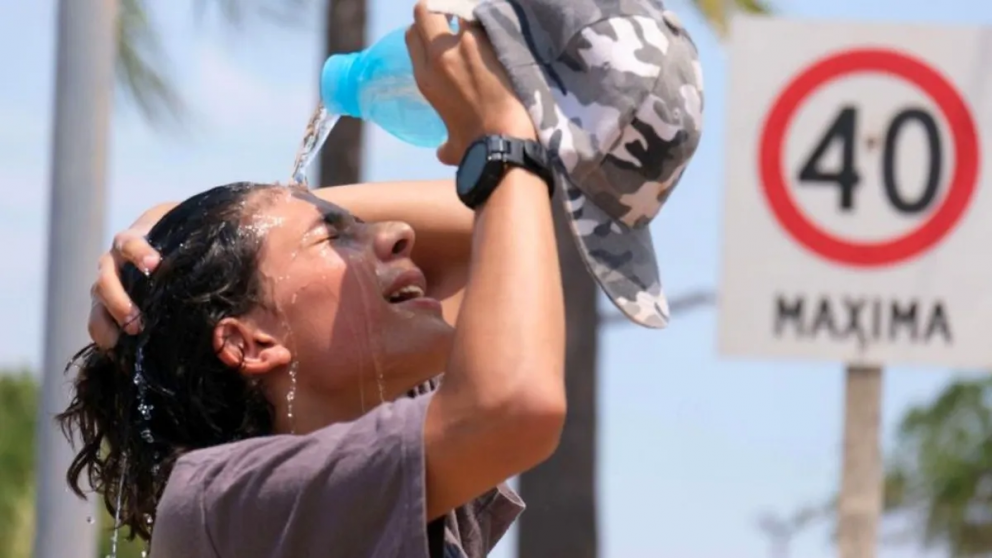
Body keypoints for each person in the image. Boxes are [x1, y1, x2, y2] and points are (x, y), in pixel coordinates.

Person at [69, 1, 703, 556]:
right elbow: (516, 400)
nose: (397, 233)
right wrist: (503, 139)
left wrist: (212, 222)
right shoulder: (219, 504)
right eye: (333, 236)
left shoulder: (393, 461)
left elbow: (516, 218)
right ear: (249, 342)